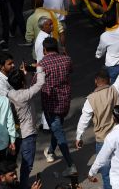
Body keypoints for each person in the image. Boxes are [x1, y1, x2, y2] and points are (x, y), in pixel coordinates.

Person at [76, 68, 119, 189]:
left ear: (96, 81)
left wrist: (79, 137)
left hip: (102, 141)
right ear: (109, 80)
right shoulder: (115, 90)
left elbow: (84, 120)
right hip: (117, 137)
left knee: (106, 174)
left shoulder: (91, 99)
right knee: (118, 171)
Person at [38, 37, 77, 176]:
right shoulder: (66, 59)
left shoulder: (42, 64)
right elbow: (71, 70)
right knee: (57, 128)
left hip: (51, 105)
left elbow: (34, 85)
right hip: (65, 103)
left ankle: (71, 165)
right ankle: (50, 151)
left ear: (44, 50)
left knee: (59, 133)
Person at [6, 65, 45, 189]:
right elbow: (40, 83)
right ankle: (23, 185)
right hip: (28, 133)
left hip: (16, 133)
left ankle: (12, 181)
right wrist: (39, 69)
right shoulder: (26, 94)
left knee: (12, 159)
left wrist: (23, 75)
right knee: (27, 163)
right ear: (23, 82)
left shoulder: (10, 93)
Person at [95, 6, 119, 84]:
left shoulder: (104, 36)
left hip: (111, 68)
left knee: (113, 92)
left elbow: (100, 51)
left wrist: (98, 55)